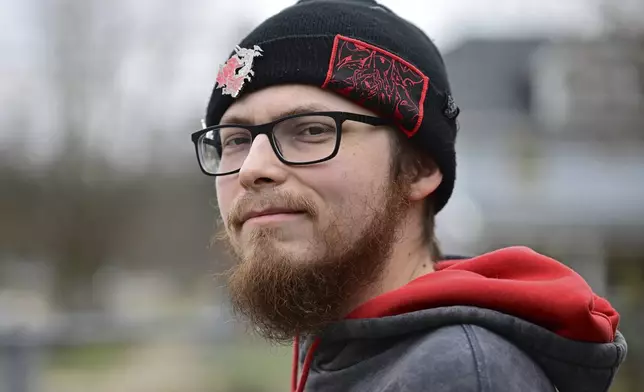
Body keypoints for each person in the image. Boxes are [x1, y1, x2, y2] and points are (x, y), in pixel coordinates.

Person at [191, 0, 627, 390]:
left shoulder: (458, 375)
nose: (252, 169)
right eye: (234, 140)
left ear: (420, 167)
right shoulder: (353, 350)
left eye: (311, 130)